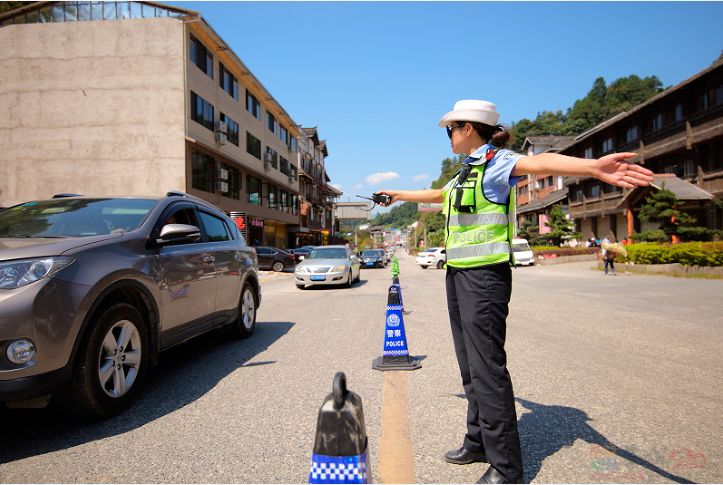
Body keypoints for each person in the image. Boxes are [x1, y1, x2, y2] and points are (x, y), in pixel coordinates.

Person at [377, 100, 653, 484]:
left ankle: (507, 467)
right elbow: (439, 196)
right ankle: (478, 442)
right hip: (457, 275)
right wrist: (400, 196)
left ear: (469, 128)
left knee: (488, 369)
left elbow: (541, 163)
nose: (449, 135)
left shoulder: (498, 162)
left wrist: (591, 167)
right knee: (469, 367)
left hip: (485, 278)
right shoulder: (465, 173)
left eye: (450, 129)